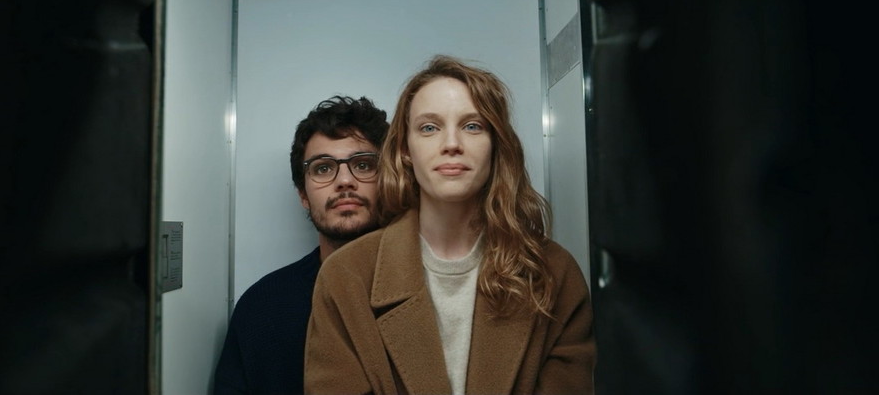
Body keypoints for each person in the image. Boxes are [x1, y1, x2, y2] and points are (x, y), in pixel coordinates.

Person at [304, 56, 596, 394]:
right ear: (405, 149)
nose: (452, 144)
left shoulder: (554, 273)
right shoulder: (345, 277)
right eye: (429, 128)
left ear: (496, 145)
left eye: (473, 126)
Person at [213, 95, 390, 395]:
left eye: (363, 165)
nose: (344, 181)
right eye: (323, 168)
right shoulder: (261, 308)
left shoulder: (427, 291)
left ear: (391, 181)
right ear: (303, 195)